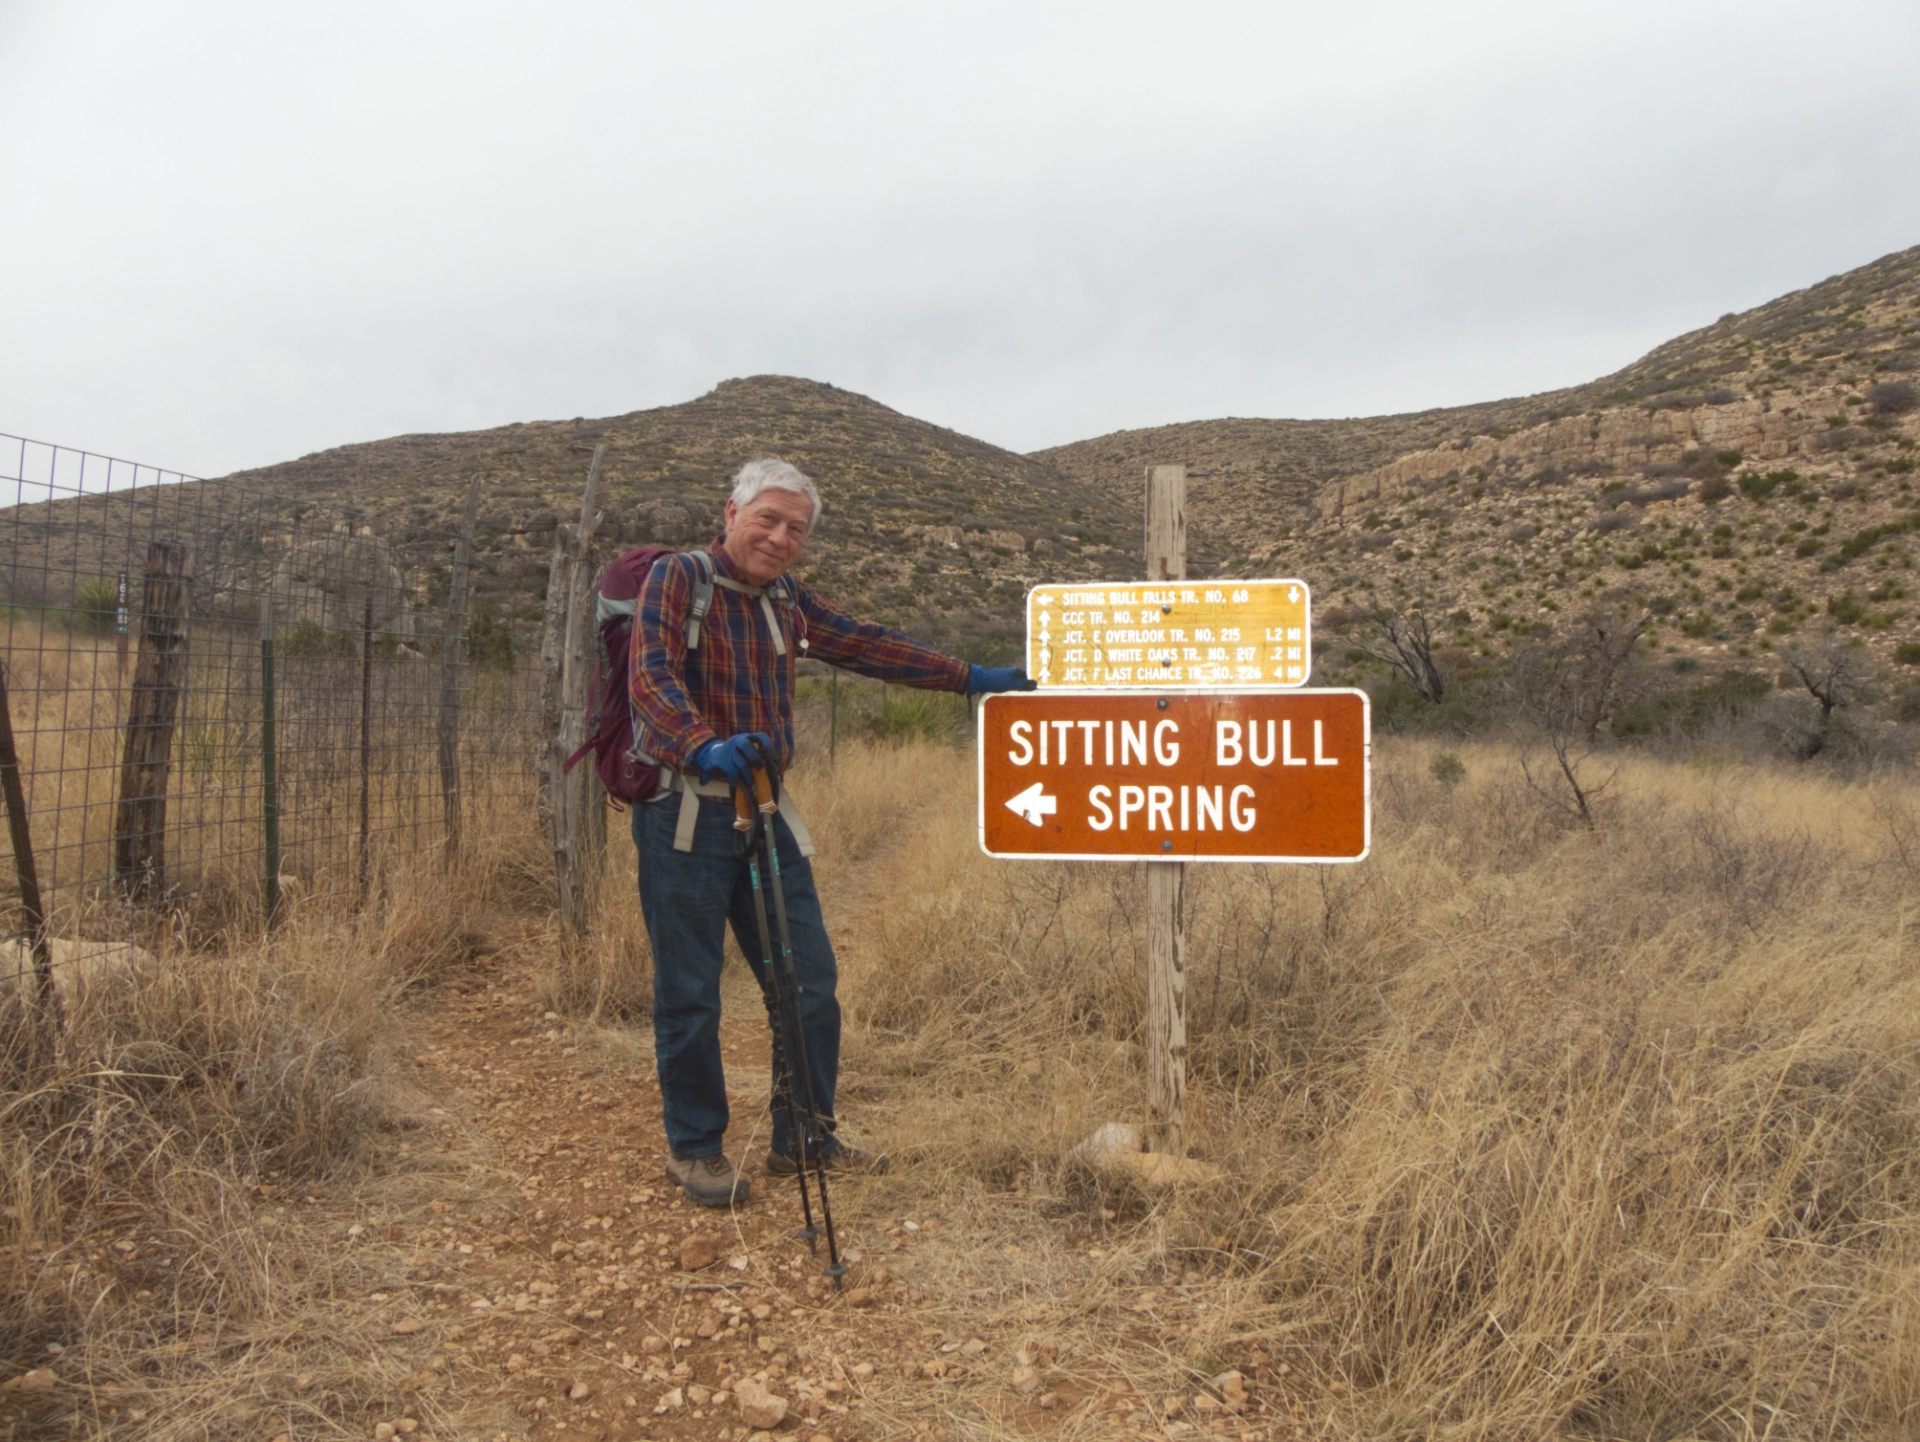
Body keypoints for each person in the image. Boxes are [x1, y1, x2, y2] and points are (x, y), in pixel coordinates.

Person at [628, 457, 1034, 1207]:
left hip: (765, 810)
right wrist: (701, 745)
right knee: (690, 992)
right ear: (732, 513)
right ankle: (695, 1148)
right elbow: (650, 679)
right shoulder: (678, 580)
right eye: (768, 520)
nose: (780, 539)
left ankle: (806, 1136)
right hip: (684, 810)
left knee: (808, 979)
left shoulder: (786, 600)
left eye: (796, 529)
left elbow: (867, 645)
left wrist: (969, 675)